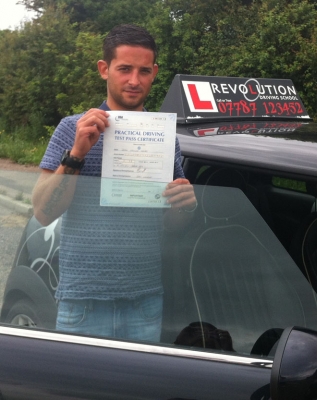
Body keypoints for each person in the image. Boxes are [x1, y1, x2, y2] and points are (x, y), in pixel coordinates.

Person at [32, 24, 196, 342]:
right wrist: (77, 153)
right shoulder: (71, 129)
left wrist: (184, 206)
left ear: (155, 72)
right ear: (104, 69)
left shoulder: (165, 139)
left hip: (145, 300)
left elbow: (171, 227)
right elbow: (42, 212)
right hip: (82, 301)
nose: (134, 81)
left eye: (144, 71)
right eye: (124, 69)